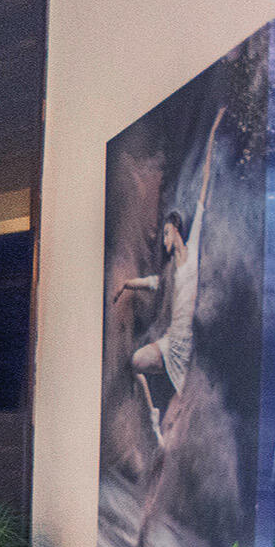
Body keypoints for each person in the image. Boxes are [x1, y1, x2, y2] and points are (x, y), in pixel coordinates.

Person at [112, 105, 227, 446]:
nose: (163, 240)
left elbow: (205, 186)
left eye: (166, 234)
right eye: (161, 235)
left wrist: (212, 133)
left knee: (191, 406)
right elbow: (152, 283)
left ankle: (176, 435)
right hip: (168, 344)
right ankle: (153, 422)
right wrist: (124, 286)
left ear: (176, 230)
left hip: (184, 345)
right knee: (135, 362)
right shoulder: (168, 274)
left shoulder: (191, 253)